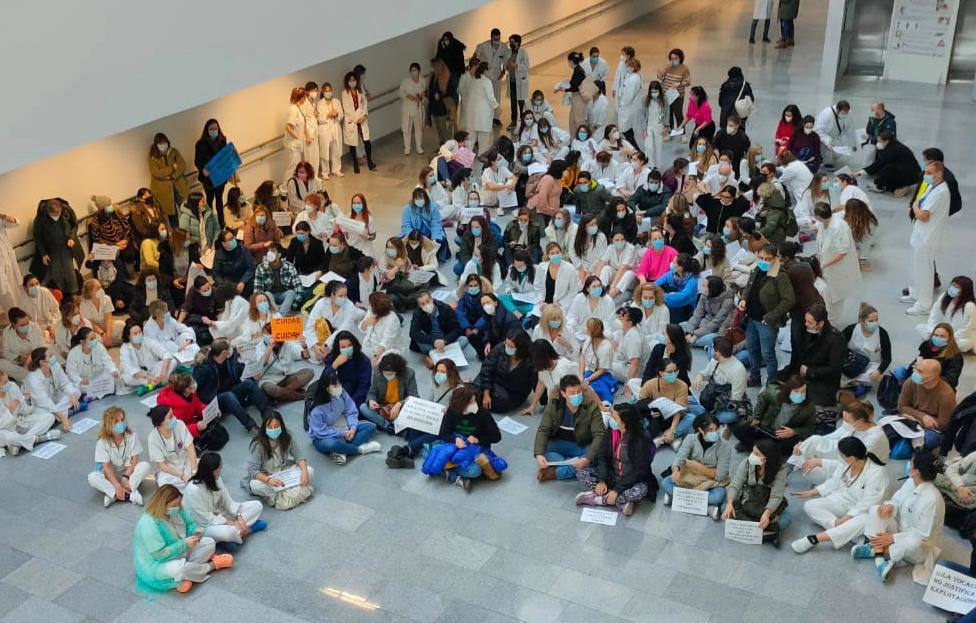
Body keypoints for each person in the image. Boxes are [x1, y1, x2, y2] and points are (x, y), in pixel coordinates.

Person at [850, 450, 945, 584]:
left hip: (920, 546)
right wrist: (890, 506)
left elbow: (923, 537)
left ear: (916, 471)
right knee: (876, 509)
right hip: (903, 531)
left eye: (910, 463)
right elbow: (896, 500)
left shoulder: (932, 499)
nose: (908, 465)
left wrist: (892, 538)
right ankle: (879, 558)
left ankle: (876, 550)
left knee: (913, 543)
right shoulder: (911, 482)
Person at [790, 436, 889, 554]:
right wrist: (811, 493)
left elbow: (868, 502)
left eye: (841, 455)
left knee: (863, 520)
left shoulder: (877, 473)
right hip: (841, 501)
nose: (839, 457)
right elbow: (834, 482)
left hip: (861, 510)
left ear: (852, 458)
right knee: (809, 505)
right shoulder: (846, 463)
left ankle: (817, 538)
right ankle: (849, 534)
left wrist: (845, 518)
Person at [133, 484, 233, 594]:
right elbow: (159, 554)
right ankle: (211, 566)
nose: (178, 507)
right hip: (157, 563)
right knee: (180, 569)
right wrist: (184, 544)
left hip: (179, 550)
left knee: (209, 542)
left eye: (179, 503)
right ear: (162, 504)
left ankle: (187, 574)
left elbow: (190, 524)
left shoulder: (176, 510)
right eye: (174, 504)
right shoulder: (148, 524)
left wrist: (196, 532)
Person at [575, 403, 654, 515]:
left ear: (625, 422)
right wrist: (602, 480)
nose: (611, 419)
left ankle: (598, 499)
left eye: (614, 417)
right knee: (581, 472)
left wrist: (617, 490)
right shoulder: (611, 433)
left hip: (630, 480)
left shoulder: (640, 439)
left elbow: (639, 471)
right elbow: (602, 457)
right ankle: (621, 502)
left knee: (641, 490)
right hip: (612, 476)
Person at [793, 398, 889, 485]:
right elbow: (830, 437)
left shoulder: (873, 438)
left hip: (860, 467)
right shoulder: (855, 425)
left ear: (860, 421)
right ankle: (800, 459)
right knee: (814, 440)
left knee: (812, 470)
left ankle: (824, 481)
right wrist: (803, 445)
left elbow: (852, 463)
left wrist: (820, 461)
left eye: (847, 420)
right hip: (844, 455)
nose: (844, 423)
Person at [183, 452, 267, 550]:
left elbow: (228, 502)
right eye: (220, 468)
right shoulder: (193, 490)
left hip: (222, 514)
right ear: (213, 471)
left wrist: (239, 517)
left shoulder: (217, 479)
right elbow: (204, 518)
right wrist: (229, 522)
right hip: (205, 525)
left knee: (257, 505)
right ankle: (247, 529)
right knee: (228, 532)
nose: (221, 469)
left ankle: (237, 534)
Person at [534, 375, 606, 481]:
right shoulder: (554, 403)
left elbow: (599, 434)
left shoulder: (591, 405)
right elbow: (543, 429)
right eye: (572, 393)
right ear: (563, 393)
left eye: (578, 391)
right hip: (557, 443)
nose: (577, 395)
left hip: (581, 445)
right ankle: (569, 467)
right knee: (547, 454)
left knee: (593, 457)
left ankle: (555, 473)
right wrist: (539, 454)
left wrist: (586, 458)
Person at [432, 384, 504, 490]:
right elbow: (443, 433)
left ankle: (449, 472)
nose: (474, 404)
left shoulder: (483, 413)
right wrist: (455, 439)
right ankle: (455, 475)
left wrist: (478, 439)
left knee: (475, 471)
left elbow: (496, 436)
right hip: (456, 449)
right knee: (431, 452)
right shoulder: (452, 412)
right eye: (471, 403)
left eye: (474, 401)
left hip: (477, 450)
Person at [742, 244, 795, 386]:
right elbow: (749, 287)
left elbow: (789, 300)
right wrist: (743, 299)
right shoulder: (756, 269)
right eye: (761, 258)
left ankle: (771, 381)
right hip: (751, 318)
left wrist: (771, 316)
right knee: (752, 349)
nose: (764, 261)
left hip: (767, 322)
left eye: (768, 259)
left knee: (768, 353)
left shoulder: (781, 276)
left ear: (775, 259)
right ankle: (754, 376)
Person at [661, 413, 732, 518]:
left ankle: (677, 499)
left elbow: (721, 475)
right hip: (690, 476)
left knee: (718, 496)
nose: (715, 433)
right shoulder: (691, 438)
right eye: (711, 430)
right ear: (701, 430)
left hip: (710, 479)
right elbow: (680, 456)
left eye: (717, 429)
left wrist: (698, 467)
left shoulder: (725, 446)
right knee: (665, 482)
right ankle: (708, 509)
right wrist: (676, 470)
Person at [722, 438, 790, 545]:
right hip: (750, 498)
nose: (752, 456)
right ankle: (768, 532)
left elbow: (776, 495)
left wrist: (767, 513)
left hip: (767, 501)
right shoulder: (748, 462)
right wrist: (729, 503)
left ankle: (753, 529)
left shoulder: (780, 468)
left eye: (756, 453)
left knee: (785, 520)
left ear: (766, 458)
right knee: (727, 507)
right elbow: (735, 484)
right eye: (752, 451)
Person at [193, 339, 269, 434]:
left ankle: (267, 413)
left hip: (232, 391)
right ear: (224, 352)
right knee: (228, 396)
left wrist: (252, 374)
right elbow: (193, 390)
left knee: (248, 383)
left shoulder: (229, 360)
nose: (232, 350)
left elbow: (241, 369)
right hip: (215, 401)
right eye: (229, 349)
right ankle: (250, 426)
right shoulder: (203, 369)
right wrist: (203, 408)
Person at [905, 161, 951, 315]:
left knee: (925, 270)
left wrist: (915, 208)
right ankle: (916, 293)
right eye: (925, 172)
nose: (926, 176)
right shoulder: (933, 187)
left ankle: (924, 304)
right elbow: (920, 202)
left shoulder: (941, 192)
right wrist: (917, 206)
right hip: (921, 235)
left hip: (927, 238)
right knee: (917, 268)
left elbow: (923, 215)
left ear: (939, 173)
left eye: (930, 173)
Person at [243, 410, 313, 509]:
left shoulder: (287, 438)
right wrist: (269, 480)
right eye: (270, 427)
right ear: (264, 428)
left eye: (276, 427)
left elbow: (299, 456)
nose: (273, 429)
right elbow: (252, 470)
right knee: (256, 485)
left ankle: (282, 494)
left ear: (281, 426)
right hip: (266, 476)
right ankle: (280, 495)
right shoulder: (258, 445)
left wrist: (305, 472)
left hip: (282, 471)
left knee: (309, 470)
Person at [308, 371, 382, 464]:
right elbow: (320, 432)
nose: (339, 387)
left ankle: (342, 450)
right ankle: (359, 450)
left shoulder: (342, 393)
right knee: (332, 444)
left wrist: (353, 428)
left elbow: (351, 411)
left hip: (344, 426)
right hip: (324, 436)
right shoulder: (316, 409)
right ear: (326, 388)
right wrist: (342, 433)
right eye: (335, 386)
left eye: (339, 384)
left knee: (370, 427)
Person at [732, 375, 816, 453]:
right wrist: (757, 417)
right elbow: (762, 398)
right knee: (738, 428)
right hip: (765, 428)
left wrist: (794, 431)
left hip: (782, 436)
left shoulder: (809, 407)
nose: (800, 395)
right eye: (796, 392)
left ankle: (755, 446)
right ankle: (760, 447)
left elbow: (810, 428)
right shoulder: (776, 394)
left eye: (803, 392)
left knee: (791, 445)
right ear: (788, 390)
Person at [87, 406, 151, 507]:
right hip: (112, 475)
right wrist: (117, 485)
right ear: (109, 425)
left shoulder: (132, 436)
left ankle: (113, 495)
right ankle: (128, 495)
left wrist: (126, 477)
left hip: (129, 473)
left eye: (122, 420)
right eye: (116, 421)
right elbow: (106, 467)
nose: (121, 423)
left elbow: (135, 460)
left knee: (145, 466)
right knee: (92, 477)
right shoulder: (102, 442)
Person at [890, 358, 956, 451]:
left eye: (920, 371)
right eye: (916, 369)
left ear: (932, 376)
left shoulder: (946, 395)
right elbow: (901, 406)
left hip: (929, 428)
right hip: (913, 420)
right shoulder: (911, 382)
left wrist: (915, 419)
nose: (915, 372)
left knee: (931, 439)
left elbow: (944, 425)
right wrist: (922, 417)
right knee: (882, 419)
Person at [811, 202, 860, 326]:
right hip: (827, 268)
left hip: (838, 270)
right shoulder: (824, 223)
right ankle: (827, 321)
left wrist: (823, 264)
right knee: (827, 296)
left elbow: (841, 253)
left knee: (836, 299)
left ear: (819, 216)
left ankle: (832, 325)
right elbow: (817, 230)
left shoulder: (839, 227)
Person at [0, 370, 59, 457]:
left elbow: (26, 411)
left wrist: (27, 399)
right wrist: (10, 411)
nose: (9, 383)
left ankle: (19, 442)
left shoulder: (12, 386)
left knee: (49, 417)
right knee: (4, 436)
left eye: (8, 379)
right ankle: (39, 438)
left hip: (21, 421)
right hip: (6, 429)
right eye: (5, 382)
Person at [30, 198, 82, 296]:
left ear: (61, 209)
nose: (56, 216)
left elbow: (74, 225)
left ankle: (74, 294)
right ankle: (63, 294)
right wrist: (44, 254)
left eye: (58, 213)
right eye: (53, 215)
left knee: (70, 271)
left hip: (66, 246)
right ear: (48, 212)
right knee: (56, 273)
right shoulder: (41, 218)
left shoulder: (67, 210)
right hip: (51, 249)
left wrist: (71, 237)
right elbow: (38, 237)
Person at [477, 327, 536, 413]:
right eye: (506, 344)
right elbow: (487, 368)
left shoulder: (530, 360)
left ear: (520, 348)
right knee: (471, 392)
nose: (507, 347)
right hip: (496, 380)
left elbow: (536, 382)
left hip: (513, 391)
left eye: (511, 346)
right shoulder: (500, 348)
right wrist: (486, 393)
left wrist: (535, 404)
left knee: (500, 405)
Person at [253, 323, 314, 403]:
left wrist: (304, 346)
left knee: (309, 372)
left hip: (286, 377)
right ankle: (301, 396)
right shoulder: (260, 347)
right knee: (270, 388)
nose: (266, 336)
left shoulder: (287, 343)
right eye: (264, 334)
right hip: (270, 380)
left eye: (268, 334)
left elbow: (306, 356)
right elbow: (262, 364)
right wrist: (269, 348)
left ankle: (282, 395)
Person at [359, 353, 417, 435]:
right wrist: (371, 400)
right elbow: (372, 392)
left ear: (398, 371)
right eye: (385, 373)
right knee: (363, 407)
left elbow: (414, 396)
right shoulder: (378, 373)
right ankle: (389, 427)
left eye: (390, 374)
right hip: (383, 406)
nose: (387, 376)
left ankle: (383, 424)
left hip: (401, 407)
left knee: (415, 412)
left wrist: (399, 404)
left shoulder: (409, 374)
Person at [409, 290, 468, 368]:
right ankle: (447, 357)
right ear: (419, 306)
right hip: (431, 341)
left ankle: (434, 357)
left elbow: (456, 329)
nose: (426, 305)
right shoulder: (417, 313)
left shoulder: (445, 308)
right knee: (419, 342)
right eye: (423, 304)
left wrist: (445, 341)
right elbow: (413, 333)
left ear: (432, 299)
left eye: (427, 301)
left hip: (446, 338)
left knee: (464, 340)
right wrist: (433, 341)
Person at [842, 303, 892, 393]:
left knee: (876, 377)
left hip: (872, 364)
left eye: (876, 320)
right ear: (862, 321)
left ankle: (855, 383)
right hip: (852, 361)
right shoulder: (851, 329)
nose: (875, 323)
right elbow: (838, 346)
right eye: (871, 321)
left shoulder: (882, 334)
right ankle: (855, 382)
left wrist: (879, 371)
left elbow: (887, 358)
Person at [146, 405, 197, 492]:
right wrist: (182, 476)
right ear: (160, 423)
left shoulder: (179, 424)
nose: (174, 418)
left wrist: (193, 471)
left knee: (205, 470)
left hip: (186, 462)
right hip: (169, 471)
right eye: (170, 417)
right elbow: (162, 465)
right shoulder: (153, 438)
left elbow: (190, 448)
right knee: (166, 486)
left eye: (173, 414)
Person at [918, 276, 975, 353]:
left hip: (958, 337)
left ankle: (940, 345)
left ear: (965, 291)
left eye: (957, 287)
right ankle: (941, 345)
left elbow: (966, 329)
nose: (953, 288)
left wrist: (949, 337)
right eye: (952, 285)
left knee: (964, 343)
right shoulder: (944, 297)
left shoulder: (969, 306)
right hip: (942, 332)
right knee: (921, 328)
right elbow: (934, 315)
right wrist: (934, 331)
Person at [680, 276, 735, 353]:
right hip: (702, 324)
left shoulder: (728, 301)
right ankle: (687, 340)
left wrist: (696, 335)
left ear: (712, 288)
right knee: (681, 325)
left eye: (704, 286)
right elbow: (697, 315)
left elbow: (716, 322)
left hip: (715, 330)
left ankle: (683, 341)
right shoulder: (704, 295)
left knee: (711, 339)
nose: (702, 288)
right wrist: (689, 332)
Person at [857, 131, 920, 196]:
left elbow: (879, 163)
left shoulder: (893, 150)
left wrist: (860, 172)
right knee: (880, 178)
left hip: (909, 175)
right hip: (910, 172)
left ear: (887, 141)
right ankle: (898, 187)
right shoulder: (894, 145)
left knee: (888, 169)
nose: (878, 143)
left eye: (880, 141)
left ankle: (882, 188)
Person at [320, 331, 371, 408]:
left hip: (355, 396)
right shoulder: (333, 357)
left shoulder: (364, 361)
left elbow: (364, 387)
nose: (347, 349)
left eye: (349, 346)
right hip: (336, 392)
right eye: (343, 347)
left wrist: (350, 403)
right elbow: (324, 379)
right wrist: (335, 365)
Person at [194, 119, 231, 224]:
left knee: (219, 199)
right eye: (211, 129)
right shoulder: (200, 144)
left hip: (220, 177)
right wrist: (202, 169)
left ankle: (221, 221)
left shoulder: (222, 140)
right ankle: (210, 222)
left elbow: (225, 157)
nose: (214, 131)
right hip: (208, 178)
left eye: (216, 128)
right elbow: (197, 161)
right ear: (206, 130)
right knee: (209, 200)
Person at [65, 327, 118, 400]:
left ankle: (93, 395)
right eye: (91, 339)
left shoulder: (99, 346)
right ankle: (101, 392)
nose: (95, 341)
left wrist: (113, 370)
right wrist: (80, 380)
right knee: (76, 387)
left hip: (99, 378)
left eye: (95, 338)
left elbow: (107, 361)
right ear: (82, 342)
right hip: (85, 382)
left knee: (115, 378)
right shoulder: (73, 354)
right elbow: (71, 373)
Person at [148, 132, 189, 220]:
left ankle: (188, 231)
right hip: (164, 191)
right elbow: (156, 172)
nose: (163, 145)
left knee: (186, 211)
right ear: (156, 145)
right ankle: (177, 232)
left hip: (179, 186)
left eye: (164, 143)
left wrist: (173, 176)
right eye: (160, 144)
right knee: (172, 216)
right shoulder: (153, 157)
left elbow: (182, 165)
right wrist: (172, 168)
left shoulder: (174, 152)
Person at [341, 71, 376, 173]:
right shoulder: (344, 93)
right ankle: (355, 163)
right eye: (350, 80)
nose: (352, 82)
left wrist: (364, 115)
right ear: (347, 82)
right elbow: (347, 109)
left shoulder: (360, 91)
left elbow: (364, 104)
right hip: (352, 121)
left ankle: (370, 161)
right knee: (352, 143)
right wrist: (357, 119)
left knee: (367, 141)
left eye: (354, 80)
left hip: (362, 119)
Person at [252, 245, 302, 314]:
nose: (269, 253)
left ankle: (278, 315)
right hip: (270, 297)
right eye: (268, 251)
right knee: (266, 293)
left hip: (284, 295)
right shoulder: (260, 267)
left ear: (279, 255)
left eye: (272, 251)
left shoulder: (289, 266)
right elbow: (257, 290)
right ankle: (280, 314)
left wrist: (293, 305)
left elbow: (298, 287)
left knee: (291, 292)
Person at [0, 307, 45, 382]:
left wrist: (29, 358)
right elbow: (5, 352)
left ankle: (31, 377)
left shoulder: (35, 327)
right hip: (17, 362)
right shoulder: (7, 332)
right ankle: (33, 377)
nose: (26, 326)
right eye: (22, 325)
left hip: (35, 360)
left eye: (27, 323)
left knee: (47, 358)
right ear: (14, 324)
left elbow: (41, 348)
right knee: (1, 364)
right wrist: (19, 358)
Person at [654, 253, 700, 324]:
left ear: (680, 267)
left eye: (674, 262)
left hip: (683, 310)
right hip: (666, 303)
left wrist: (661, 296)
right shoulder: (670, 275)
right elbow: (654, 285)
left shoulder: (693, 281)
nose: (671, 264)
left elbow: (682, 298)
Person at [314, 81, 344, 180]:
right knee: (324, 151)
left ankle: (336, 169)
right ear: (322, 92)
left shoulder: (337, 101)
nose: (328, 92)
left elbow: (341, 114)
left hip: (335, 127)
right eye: (326, 91)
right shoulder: (319, 103)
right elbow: (319, 118)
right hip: (324, 129)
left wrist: (336, 114)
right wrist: (328, 115)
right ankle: (325, 171)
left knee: (336, 149)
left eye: (329, 90)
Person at [213, 229, 257, 297]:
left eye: (233, 237)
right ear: (223, 243)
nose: (233, 240)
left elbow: (250, 268)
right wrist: (224, 285)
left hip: (243, 280)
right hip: (228, 283)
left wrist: (243, 281)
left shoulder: (243, 250)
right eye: (230, 239)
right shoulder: (219, 255)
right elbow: (216, 274)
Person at [814, 100, 856, 169]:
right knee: (827, 150)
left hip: (837, 136)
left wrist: (853, 143)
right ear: (837, 110)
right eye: (843, 113)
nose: (845, 115)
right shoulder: (826, 114)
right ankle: (826, 162)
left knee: (838, 152)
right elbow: (818, 131)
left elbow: (850, 128)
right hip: (824, 137)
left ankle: (827, 158)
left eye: (846, 113)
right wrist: (827, 142)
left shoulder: (848, 113)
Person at [657, 49, 691, 132]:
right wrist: (661, 72)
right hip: (666, 95)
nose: (673, 60)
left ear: (680, 58)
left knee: (678, 115)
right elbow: (660, 77)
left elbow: (688, 82)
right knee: (668, 115)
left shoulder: (684, 69)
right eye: (671, 58)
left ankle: (681, 132)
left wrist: (679, 83)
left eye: (675, 58)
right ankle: (669, 132)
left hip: (678, 96)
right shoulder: (667, 67)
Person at [428, 58, 459, 145]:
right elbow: (431, 89)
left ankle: (448, 146)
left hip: (444, 107)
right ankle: (442, 145)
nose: (432, 68)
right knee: (438, 127)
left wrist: (440, 95)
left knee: (444, 128)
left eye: (433, 66)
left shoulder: (447, 76)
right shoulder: (433, 76)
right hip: (435, 106)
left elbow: (451, 91)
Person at [19, 274, 60, 340]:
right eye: (32, 285)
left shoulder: (45, 292)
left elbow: (56, 309)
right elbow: (25, 321)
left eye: (37, 283)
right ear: (25, 288)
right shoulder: (22, 300)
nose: (35, 287)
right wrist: (40, 330)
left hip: (50, 322)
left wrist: (52, 324)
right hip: (35, 328)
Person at [680, 86, 714, 151]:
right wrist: (683, 124)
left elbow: (708, 121)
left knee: (704, 147)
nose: (690, 96)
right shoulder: (692, 102)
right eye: (690, 94)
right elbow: (689, 115)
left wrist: (698, 128)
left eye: (692, 95)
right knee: (692, 145)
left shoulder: (705, 106)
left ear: (698, 96)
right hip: (698, 125)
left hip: (707, 127)